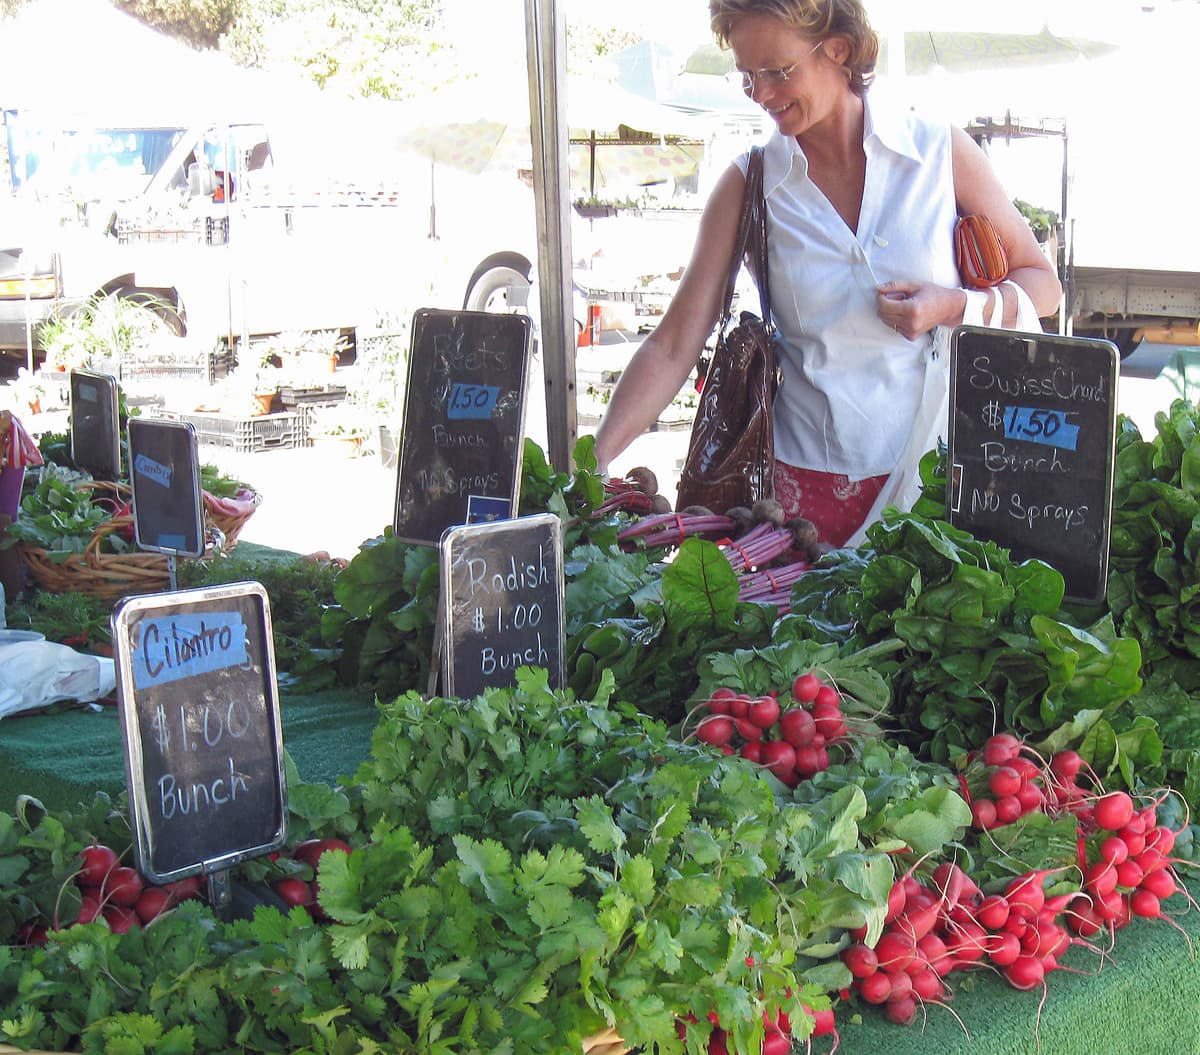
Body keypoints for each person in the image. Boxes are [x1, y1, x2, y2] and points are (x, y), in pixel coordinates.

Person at [593, 0, 1063, 546]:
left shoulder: (938, 153)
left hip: (936, 478)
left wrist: (954, 305)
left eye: (778, 71)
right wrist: (592, 461)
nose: (763, 94)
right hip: (801, 503)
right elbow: (674, 345)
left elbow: (1042, 285)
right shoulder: (751, 183)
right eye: (747, 77)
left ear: (837, 49)